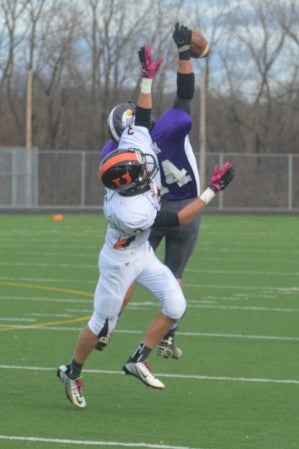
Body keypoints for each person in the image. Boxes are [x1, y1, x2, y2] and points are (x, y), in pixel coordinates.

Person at [57, 44, 234, 409]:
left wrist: (147, 77)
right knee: (100, 326)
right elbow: (180, 217)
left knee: (176, 304)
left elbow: (141, 116)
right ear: (125, 182)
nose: (142, 167)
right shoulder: (130, 210)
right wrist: (213, 190)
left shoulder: (134, 147)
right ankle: (71, 371)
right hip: (119, 262)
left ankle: (137, 358)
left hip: (140, 254)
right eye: (135, 171)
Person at [98, 23, 203, 360]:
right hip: (185, 206)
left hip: (148, 212)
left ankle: (108, 324)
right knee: (174, 274)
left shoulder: (115, 152)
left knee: (131, 267)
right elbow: (184, 94)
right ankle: (167, 337)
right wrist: (184, 53)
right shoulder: (170, 128)